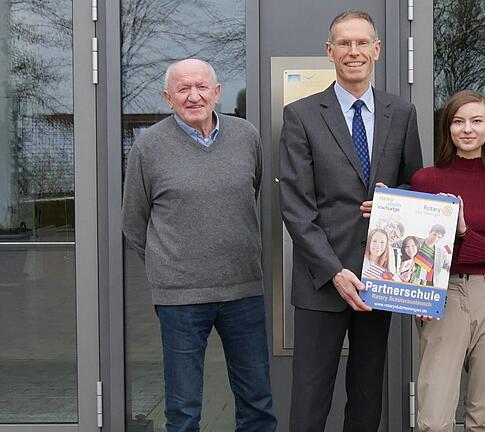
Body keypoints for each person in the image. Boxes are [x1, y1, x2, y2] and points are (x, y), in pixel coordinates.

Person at [278, 9, 422, 432]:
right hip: (322, 280)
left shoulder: (402, 112)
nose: (353, 51)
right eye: (344, 43)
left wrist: (394, 207)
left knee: (366, 395)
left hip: (380, 277)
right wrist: (334, 272)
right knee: (310, 398)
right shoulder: (301, 115)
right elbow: (296, 208)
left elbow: (413, 187)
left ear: (376, 50)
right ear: (330, 51)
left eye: (362, 43)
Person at [122, 59, 277, 432]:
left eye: (202, 87)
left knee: (257, 403)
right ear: (168, 97)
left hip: (243, 291)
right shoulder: (148, 147)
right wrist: (172, 264)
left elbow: (248, 194)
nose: (194, 96)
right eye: (183, 89)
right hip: (180, 298)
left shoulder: (246, 136)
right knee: (183, 409)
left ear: (217, 92)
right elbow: (133, 224)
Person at [410, 90, 485, 431]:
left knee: (483, 413)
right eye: (458, 122)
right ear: (448, 129)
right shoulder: (425, 181)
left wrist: (462, 231)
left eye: (476, 121)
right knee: (434, 414)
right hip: (443, 295)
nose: (467, 129)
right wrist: (418, 292)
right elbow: (418, 251)